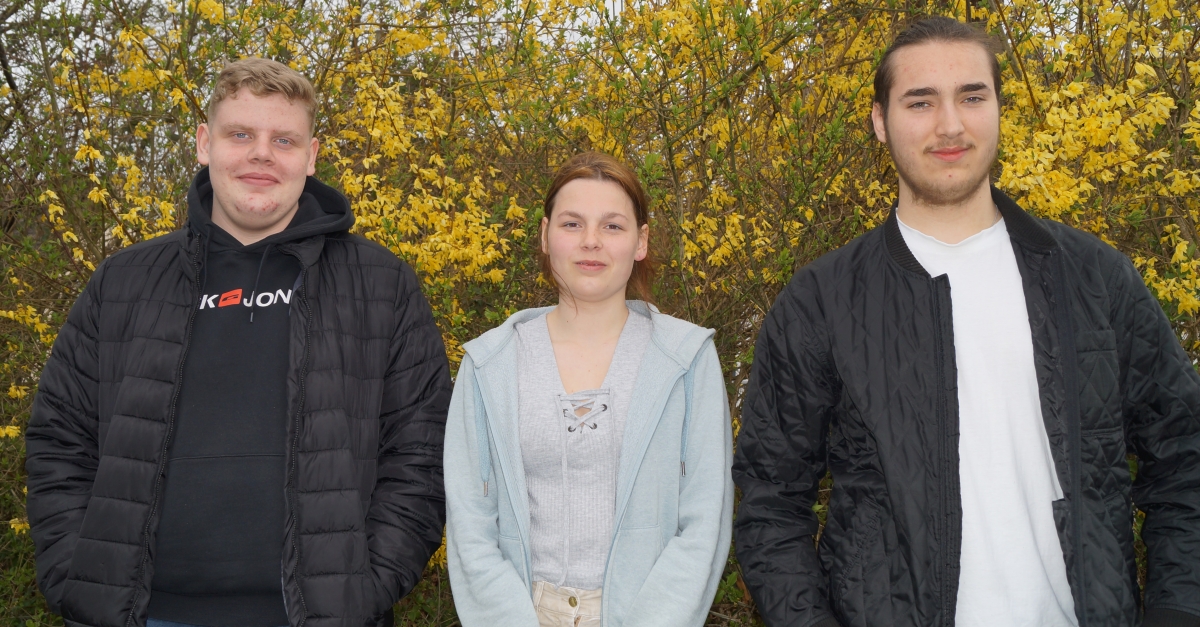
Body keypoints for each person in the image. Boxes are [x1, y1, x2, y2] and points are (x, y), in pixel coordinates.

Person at [732, 16, 1200, 627]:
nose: (949, 124)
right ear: (880, 121)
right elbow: (771, 504)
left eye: (971, 97)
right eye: (920, 101)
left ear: (999, 109)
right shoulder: (821, 300)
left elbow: (1184, 457)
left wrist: (1175, 610)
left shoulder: (1091, 276)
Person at [25, 58, 452, 627]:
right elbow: (59, 439)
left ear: (311, 155)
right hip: (142, 614)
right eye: (241, 134)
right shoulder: (124, 281)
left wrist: (368, 585)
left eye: (284, 139)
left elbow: (421, 452)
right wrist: (75, 570)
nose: (261, 154)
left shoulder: (381, 284)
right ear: (205, 143)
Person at [444, 151, 733, 627]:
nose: (592, 242)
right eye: (572, 224)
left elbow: (705, 521)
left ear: (640, 241)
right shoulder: (489, 364)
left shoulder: (688, 359)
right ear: (544, 236)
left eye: (613, 226)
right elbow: (471, 525)